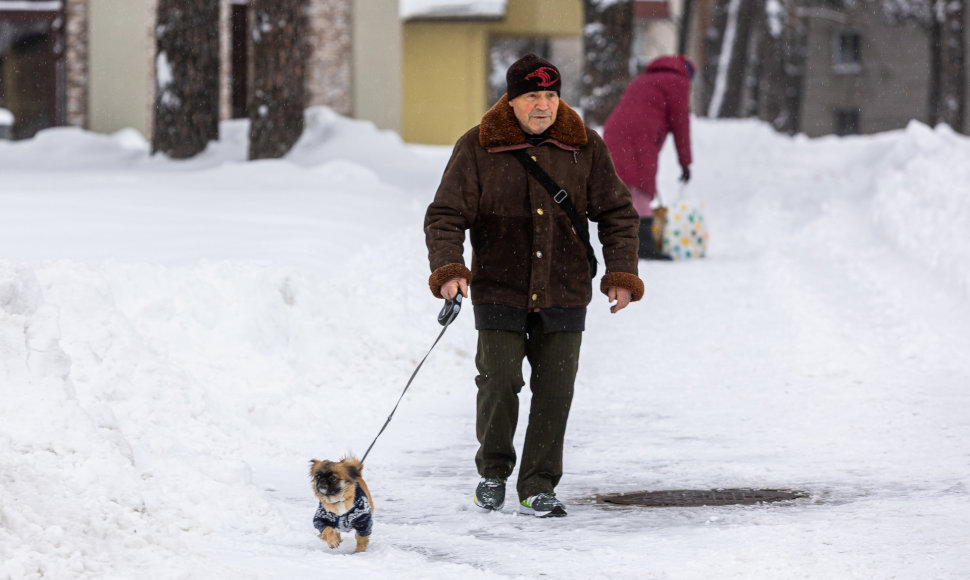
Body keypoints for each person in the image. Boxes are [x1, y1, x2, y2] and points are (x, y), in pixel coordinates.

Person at [424, 53, 644, 518]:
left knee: (555, 390)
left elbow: (618, 215)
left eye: (550, 95)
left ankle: (539, 483)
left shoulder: (585, 147)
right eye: (532, 96)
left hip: (564, 289)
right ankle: (493, 471)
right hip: (499, 287)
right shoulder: (477, 147)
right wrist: (450, 269)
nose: (543, 105)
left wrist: (621, 274)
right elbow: (445, 216)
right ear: (512, 100)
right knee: (499, 383)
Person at [603, 54, 695, 260]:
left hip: (614, 131)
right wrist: (686, 163)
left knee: (625, 187)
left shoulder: (644, 78)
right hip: (639, 136)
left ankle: (622, 243)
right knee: (641, 187)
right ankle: (643, 244)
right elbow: (681, 124)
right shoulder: (678, 82)